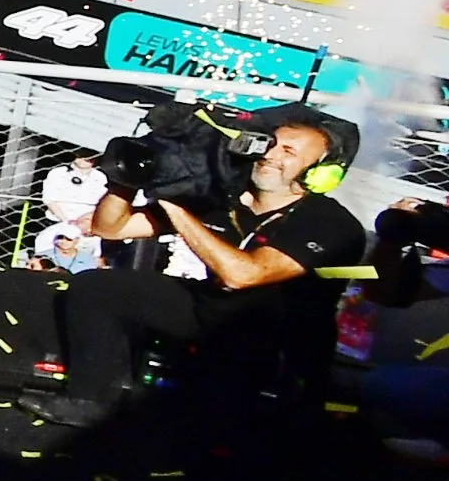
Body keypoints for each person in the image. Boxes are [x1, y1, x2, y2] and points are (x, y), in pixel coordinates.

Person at [45, 110, 367, 425]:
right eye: (270, 144)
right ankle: (91, 401)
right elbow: (111, 228)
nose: (270, 155)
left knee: (212, 428)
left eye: (288, 151)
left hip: (276, 339)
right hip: (213, 311)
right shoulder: (224, 197)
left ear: (320, 172)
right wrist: (128, 179)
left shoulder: (331, 224)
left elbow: (244, 275)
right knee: (97, 288)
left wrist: (173, 202)